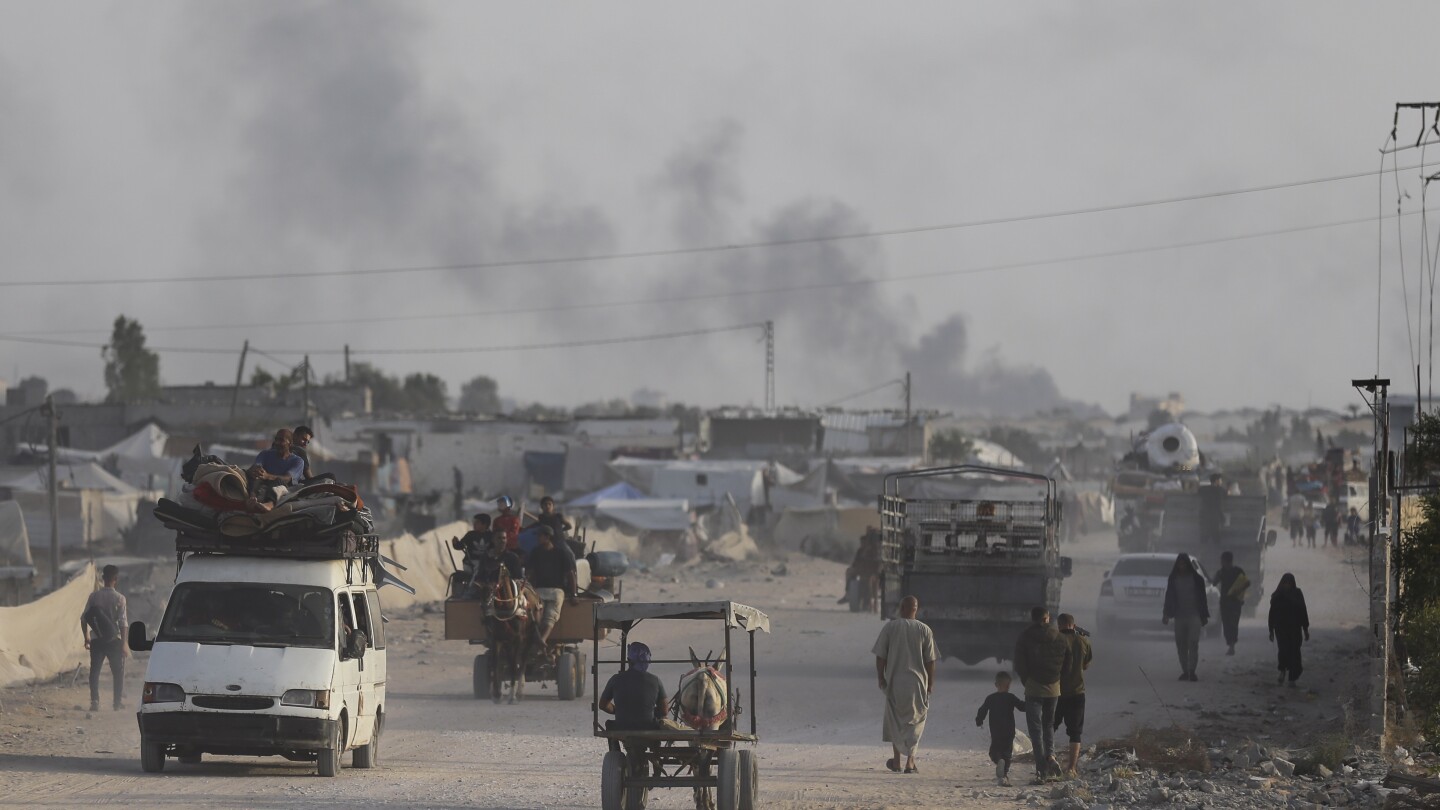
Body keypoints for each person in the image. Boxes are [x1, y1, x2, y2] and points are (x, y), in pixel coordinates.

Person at [872, 595, 937, 775]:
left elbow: (880, 656)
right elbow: (931, 660)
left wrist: (881, 678)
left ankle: (897, 762)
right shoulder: (925, 630)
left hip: (895, 682)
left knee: (895, 720)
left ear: (901, 609)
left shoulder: (890, 628)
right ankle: (910, 761)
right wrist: (930, 683)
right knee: (916, 721)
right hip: (917, 684)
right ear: (916, 609)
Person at [1013, 606, 1069, 782]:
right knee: (1049, 725)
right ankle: (1051, 756)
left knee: (1035, 730)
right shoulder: (1059, 637)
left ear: (1032, 618)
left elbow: (1019, 664)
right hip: (1054, 688)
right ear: (1047, 618)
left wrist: (1026, 680)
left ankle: (1041, 770)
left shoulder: (1025, 637)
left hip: (1033, 688)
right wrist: (1059, 679)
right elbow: (1068, 661)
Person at [80, 565, 129, 712]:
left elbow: (83, 618)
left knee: (94, 672)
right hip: (113, 640)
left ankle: (95, 702)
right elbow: (123, 622)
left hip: (96, 640)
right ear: (116, 579)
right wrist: (124, 643)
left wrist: (86, 637)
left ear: (103, 578)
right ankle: (116, 703)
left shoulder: (94, 597)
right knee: (117, 672)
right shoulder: (119, 598)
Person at [1053, 614, 1092, 779]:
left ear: (1059, 625)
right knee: (1075, 732)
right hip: (1077, 692)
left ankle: (1047, 761)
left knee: (1050, 727)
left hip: (1055, 692)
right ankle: (1071, 769)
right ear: (1073, 625)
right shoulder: (1084, 641)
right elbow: (1086, 665)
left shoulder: (1055, 641)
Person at [600, 642, 669, 730]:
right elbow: (664, 711)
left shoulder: (615, 679)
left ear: (629, 660)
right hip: (649, 727)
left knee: (609, 724)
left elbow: (603, 705)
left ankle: (614, 744)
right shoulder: (655, 680)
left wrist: (618, 710)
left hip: (621, 727)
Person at [1162, 553, 1209, 681]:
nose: (1182, 566)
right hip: (1179, 616)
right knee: (1181, 645)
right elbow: (1169, 597)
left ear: (1188, 565)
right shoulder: (1173, 579)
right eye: (1180, 564)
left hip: (1194, 616)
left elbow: (1203, 599)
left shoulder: (1197, 579)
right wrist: (1166, 614)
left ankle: (1192, 671)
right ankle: (1185, 670)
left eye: (1184, 564)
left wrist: (1204, 616)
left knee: (1193, 643)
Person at [526, 525, 577, 645]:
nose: (538, 538)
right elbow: (529, 572)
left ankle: (543, 639)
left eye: (540, 536)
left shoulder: (561, 553)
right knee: (536, 613)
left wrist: (574, 594)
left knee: (551, 615)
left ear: (548, 537)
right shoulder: (535, 552)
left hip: (556, 590)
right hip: (538, 590)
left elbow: (570, 574)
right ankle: (536, 636)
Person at [975, 671, 1026, 786]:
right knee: (1007, 752)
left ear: (996, 684)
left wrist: (979, 720)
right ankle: (1004, 774)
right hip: (1009, 730)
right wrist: (1032, 703)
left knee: (994, 750)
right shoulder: (1011, 697)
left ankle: (998, 760)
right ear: (1008, 686)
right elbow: (1022, 707)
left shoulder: (990, 698)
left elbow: (982, 710)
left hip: (996, 730)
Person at [1268, 573, 1310, 688]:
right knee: (1283, 651)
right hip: (1281, 629)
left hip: (1295, 629)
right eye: (1285, 583)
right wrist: (1271, 630)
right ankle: (1282, 671)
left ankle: (1292, 678)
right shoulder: (1277, 596)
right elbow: (1272, 614)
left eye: (1289, 583)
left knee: (1295, 652)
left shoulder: (1297, 594)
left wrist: (1305, 629)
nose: (1287, 585)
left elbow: (1303, 611)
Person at [1210, 551, 1249, 656]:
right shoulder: (1224, 572)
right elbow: (1214, 583)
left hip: (1233, 603)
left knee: (1232, 625)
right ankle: (1231, 646)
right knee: (1228, 625)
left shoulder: (1235, 571)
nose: (1221, 562)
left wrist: (1238, 593)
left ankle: (1232, 647)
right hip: (1228, 604)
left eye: (1221, 560)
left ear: (1225, 561)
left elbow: (1246, 583)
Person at [838, 528, 883, 610]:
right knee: (849, 571)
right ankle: (848, 592)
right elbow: (855, 563)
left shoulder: (876, 551)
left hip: (873, 573)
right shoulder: (861, 551)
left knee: (872, 582)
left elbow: (878, 565)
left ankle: (872, 603)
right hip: (862, 571)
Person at [1197, 474, 1226, 545]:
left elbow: (1198, 492)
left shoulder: (1203, 489)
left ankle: (1202, 552)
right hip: (1214, 517)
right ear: (1216, 481)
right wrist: (1222, 517)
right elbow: (1218, 505)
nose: (1221, 482)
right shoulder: (1220, 490)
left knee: (1204, 537)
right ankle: (1215, 552)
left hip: (1204, 516)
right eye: (1220, 480)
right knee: (1216, 537)